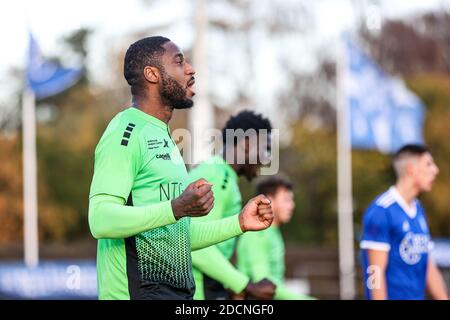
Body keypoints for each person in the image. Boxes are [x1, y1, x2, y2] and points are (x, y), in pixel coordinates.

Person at [88, 36, 274, 300]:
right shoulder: (125, 130)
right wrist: (176, 208)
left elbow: (177, 235)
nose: (191, 69)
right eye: (179, 61)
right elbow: (100, 219)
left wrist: (239, 223)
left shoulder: (165, 137)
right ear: (152, 74)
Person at [189, 110, 276, 300]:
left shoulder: (221, 174)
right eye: (266, 149)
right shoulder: (219, 177)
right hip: (198, 290)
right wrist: (245, 285)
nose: (268, 158)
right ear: (246, 145)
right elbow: (192, 242)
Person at [360, 144, 448, 300]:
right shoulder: (382, 211)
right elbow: (374, 271)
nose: (435, 170)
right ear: (411, 169)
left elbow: (427, 263)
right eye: (428, 164)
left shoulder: (418, 209)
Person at [236, 175, 316, 300]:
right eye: (286, 200)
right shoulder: (257, 233)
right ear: (268, 200)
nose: (292, 205)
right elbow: (262, 283)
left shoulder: (273, 231)